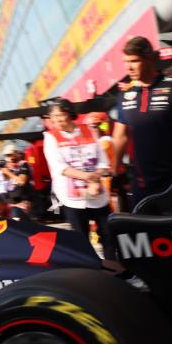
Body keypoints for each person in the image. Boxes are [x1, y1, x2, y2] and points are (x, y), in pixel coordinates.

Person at [111, 36, 172, 203]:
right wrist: (114, 171)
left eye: (134, 61)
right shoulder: (124, 95)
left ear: (149, 58)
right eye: (126, 62)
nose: (128, 67)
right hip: (141, 183)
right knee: (146, 228)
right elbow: (120, 136)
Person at [44, 99, 118, 264]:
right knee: (81, 237)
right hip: (73, 198)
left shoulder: (89, 131)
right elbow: (60, 167)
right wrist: (88, 177)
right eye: (53, 117)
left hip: (97, 193)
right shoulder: (50, 138)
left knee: (108, 233)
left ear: (69, 113)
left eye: (60, 115)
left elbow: (104, 161)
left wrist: (96, 177)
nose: (56, 120)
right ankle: (90, 270)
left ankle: (114, 267)